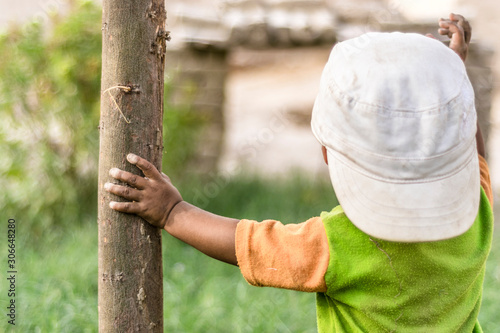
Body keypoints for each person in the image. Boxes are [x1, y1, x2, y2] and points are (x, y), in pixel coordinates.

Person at [104, 14, 494, 333]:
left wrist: (173, 212)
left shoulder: (345, 244)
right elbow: (469, 149)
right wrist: (448, 82)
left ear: (328, 152)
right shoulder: (475, 211)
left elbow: (252, 245)